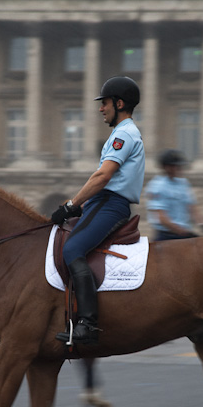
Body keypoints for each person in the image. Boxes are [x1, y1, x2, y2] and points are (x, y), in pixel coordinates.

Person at [50, 76, 145, 345]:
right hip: (101, 202)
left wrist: (71, 205)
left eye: (104, 103)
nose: (101, 109)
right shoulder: (121, 133)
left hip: (109, 203)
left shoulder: (124, 134)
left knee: (71, 249)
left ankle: (88, 323)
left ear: (119, 103)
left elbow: (102, 177)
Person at [145, 149, 203, 241]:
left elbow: (193, 209)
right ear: (166, 167)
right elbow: (161, 217)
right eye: (175, 166)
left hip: (184, 232)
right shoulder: (157, 186)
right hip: (167, 235)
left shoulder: (183, 183)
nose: (179, 168)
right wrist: (181, 231)